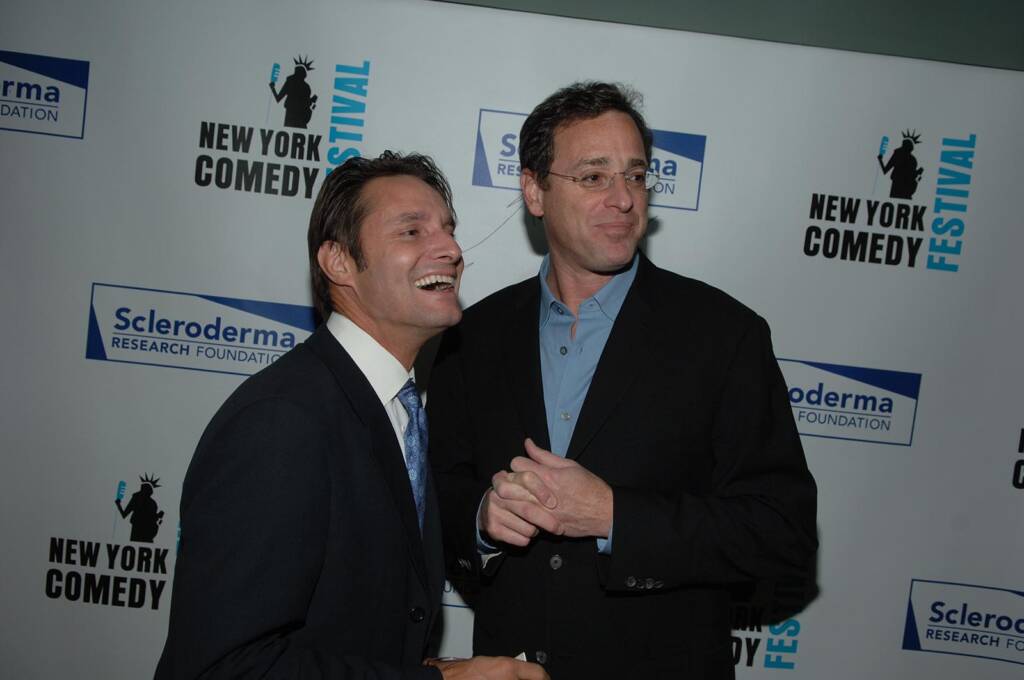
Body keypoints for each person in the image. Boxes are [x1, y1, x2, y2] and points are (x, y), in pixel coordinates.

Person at [429, 83, 818, 679]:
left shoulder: (723, 336)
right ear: (535, 190)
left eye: (635, 176)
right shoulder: (471, 334)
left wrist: (615, 516)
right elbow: (437, 492)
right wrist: (481, 516)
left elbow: (782, 533)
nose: (623, 199)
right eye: (593, 177)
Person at [156, 152, 548, 680]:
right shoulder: (281, 422)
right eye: (412, 232)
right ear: (339, 263)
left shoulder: (395, 411)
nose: (451, 250)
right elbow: (221, 667)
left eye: (448, 230)